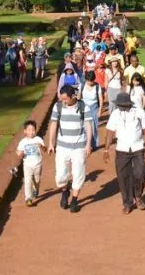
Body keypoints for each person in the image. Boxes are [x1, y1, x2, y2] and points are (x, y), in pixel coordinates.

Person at [103, 91, 145, 213]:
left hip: (137, 148)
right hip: (122, 149)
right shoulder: (115, 114)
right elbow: (110, 132)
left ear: (128, 104)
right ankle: (127, 203)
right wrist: (106, 149)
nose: (120, 107)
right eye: (119, 105)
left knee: (140, 173)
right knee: (123, 176)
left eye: (122, 105)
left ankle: (138, 196)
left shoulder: (139, 112)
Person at [47, 85, 94, 213]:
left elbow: (89, 126)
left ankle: (74, 200)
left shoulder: (84, 107)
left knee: (78, 173)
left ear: (73, 97)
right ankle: (64, 190)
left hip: (79, 147)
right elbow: (54, 124)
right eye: (62, 99)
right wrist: (51, 143)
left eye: (65, 99)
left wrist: (88, 144)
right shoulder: (58, 107)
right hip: (62, 146)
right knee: (60, 176)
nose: (63, 102)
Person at [14, 120, 44, 207]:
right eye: (29, 130)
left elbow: (45, 150)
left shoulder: (38, 139)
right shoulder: (23, 142)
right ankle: (28, 198)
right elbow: (19, 151)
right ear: (25, 131)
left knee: (37, 180)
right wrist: (19, 153)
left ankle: (36, 189)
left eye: (33, 130)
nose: (31, 132)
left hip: (38, 164)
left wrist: (41, 146)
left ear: (35, 130)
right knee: (27, 181)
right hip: (27, 165)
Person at [81, 71, 103, 150]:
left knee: (94, 127)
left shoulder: (97, 86)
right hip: (84, 108)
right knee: (84, 127)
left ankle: (93, 145)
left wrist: (100, 110)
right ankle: (85, 144)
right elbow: (78, 97)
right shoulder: (82, 85)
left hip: (94, 108)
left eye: (91, 81)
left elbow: (100, 100)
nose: (90, 82)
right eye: (88, 81)